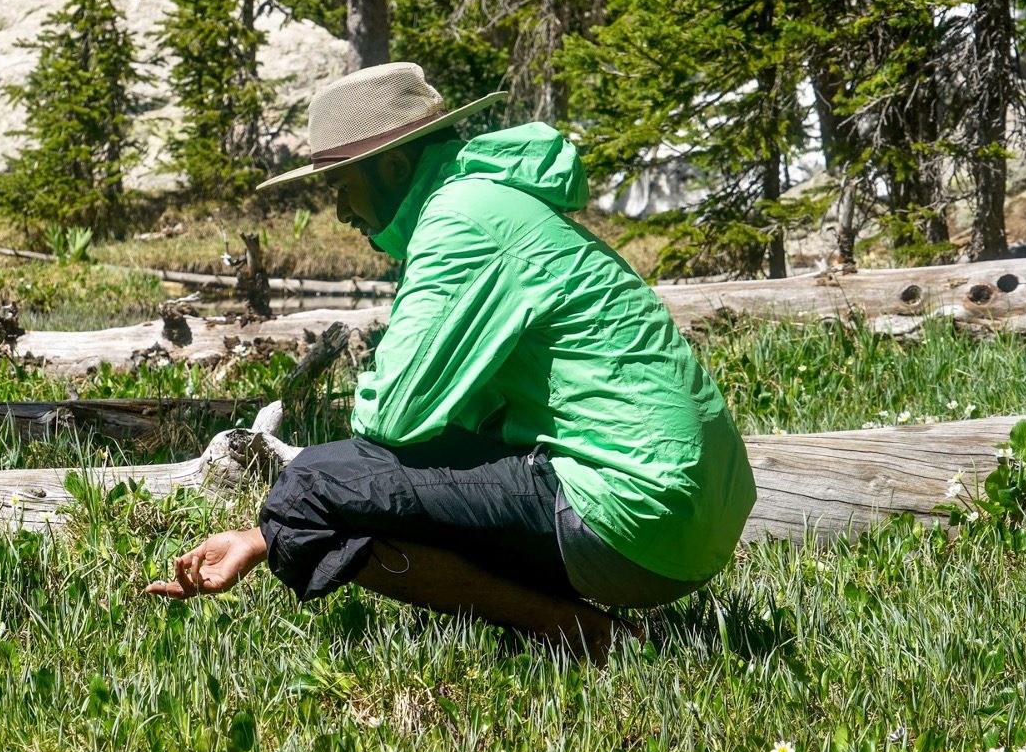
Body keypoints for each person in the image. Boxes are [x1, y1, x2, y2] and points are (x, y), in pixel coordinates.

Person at [143, 63, 757, 661]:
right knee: (350, 483)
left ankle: (580, 632)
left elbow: (391, 422)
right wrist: (261, 540)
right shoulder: (495, 204)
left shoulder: (461, 220)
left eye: (342, 186)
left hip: (629, 515)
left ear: (393, 165)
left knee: (309, 489)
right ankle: (574, 621)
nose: (341, 211)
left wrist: (288, 515)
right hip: (690, 518)